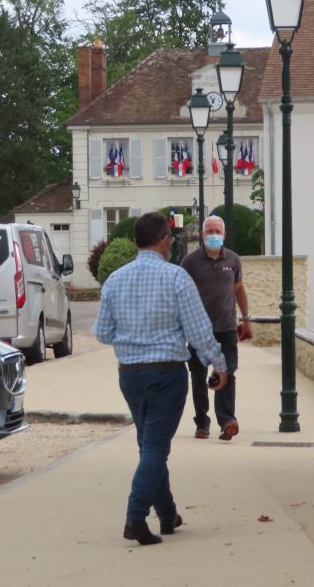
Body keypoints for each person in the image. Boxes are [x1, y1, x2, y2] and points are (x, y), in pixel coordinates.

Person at [94, 211, 228, 546]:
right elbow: (199, 332)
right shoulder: (176, 278)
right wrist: (220, 365)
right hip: (167, 373)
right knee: (154, 447)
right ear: (165, 240)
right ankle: (135, 517)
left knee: (148, 444)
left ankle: (167, 514)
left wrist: (133, 338)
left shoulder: (114, 280)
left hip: (130, 375)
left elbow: (102, 333)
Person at [181, 214, 253, 442]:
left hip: (226, 328)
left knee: (227, 373)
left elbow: (239, 289)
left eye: (217, 232)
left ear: (224, 235)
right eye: (209, 232)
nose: (213, 236)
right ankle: (202, 422)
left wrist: (246, 318)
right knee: (199, 376)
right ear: (203, 235)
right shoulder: (190, 262)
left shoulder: (233, 260)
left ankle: (227, 420)